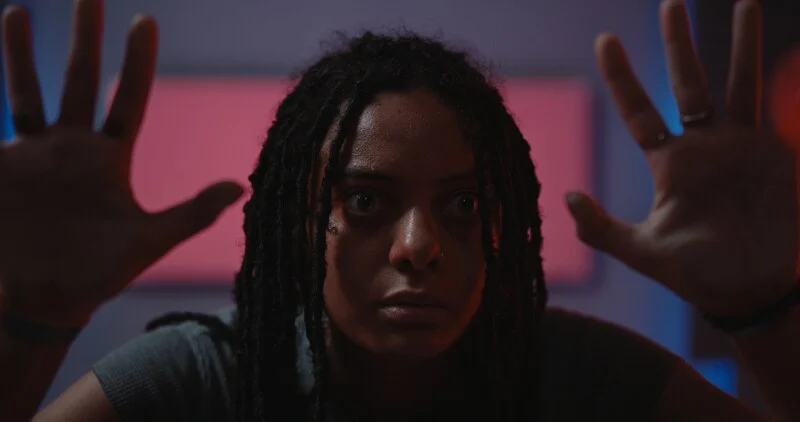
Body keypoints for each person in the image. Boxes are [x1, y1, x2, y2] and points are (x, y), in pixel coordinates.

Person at [0, 0, 798, 420]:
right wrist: (31, 319)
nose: (419, 246)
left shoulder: (584, 380)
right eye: (366, 200)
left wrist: (766, 312)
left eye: (460, 204)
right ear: (302, 221)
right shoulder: (204, 380)